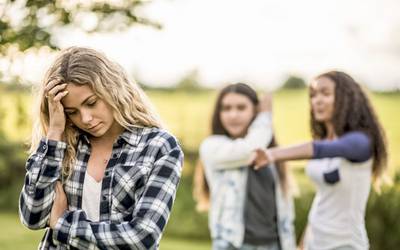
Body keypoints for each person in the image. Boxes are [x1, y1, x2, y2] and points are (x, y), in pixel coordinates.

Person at [18, 47, 184, 249]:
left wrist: (62, 225)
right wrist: (54, 134)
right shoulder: (65, 145)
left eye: (91, 103)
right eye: (72, 112)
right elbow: (32, 216)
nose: (86, 119)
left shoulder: (158, 147)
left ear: (112, 89)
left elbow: (141, 237)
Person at [252, 71, 388, 250]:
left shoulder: (360, 142)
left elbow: (319, 149)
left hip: (345, 244)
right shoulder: (326, 143)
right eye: (313, 95)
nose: (317, 100)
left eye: (325, 93)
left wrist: (272, 154)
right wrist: (303, 244)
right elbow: (323, 198)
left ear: (346, 98)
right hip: (315, 241)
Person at [196, 83, 296, 250]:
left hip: (276, 245)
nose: (233, 115)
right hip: (232, 244)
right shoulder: (212, 146)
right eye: (226, 108)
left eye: (241, 108)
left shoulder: (271, 153)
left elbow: (285, 208)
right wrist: (265, 116)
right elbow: (250, 151)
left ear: (254, 111)